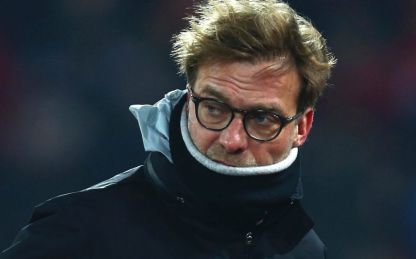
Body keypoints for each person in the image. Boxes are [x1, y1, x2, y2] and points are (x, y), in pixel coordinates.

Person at [1, 0, 335, 258]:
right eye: (215, 109)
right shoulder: (77, 232)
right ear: (188, 100)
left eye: (262, 119)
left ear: (302, 127)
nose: (232, 139)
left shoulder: (303, 249)